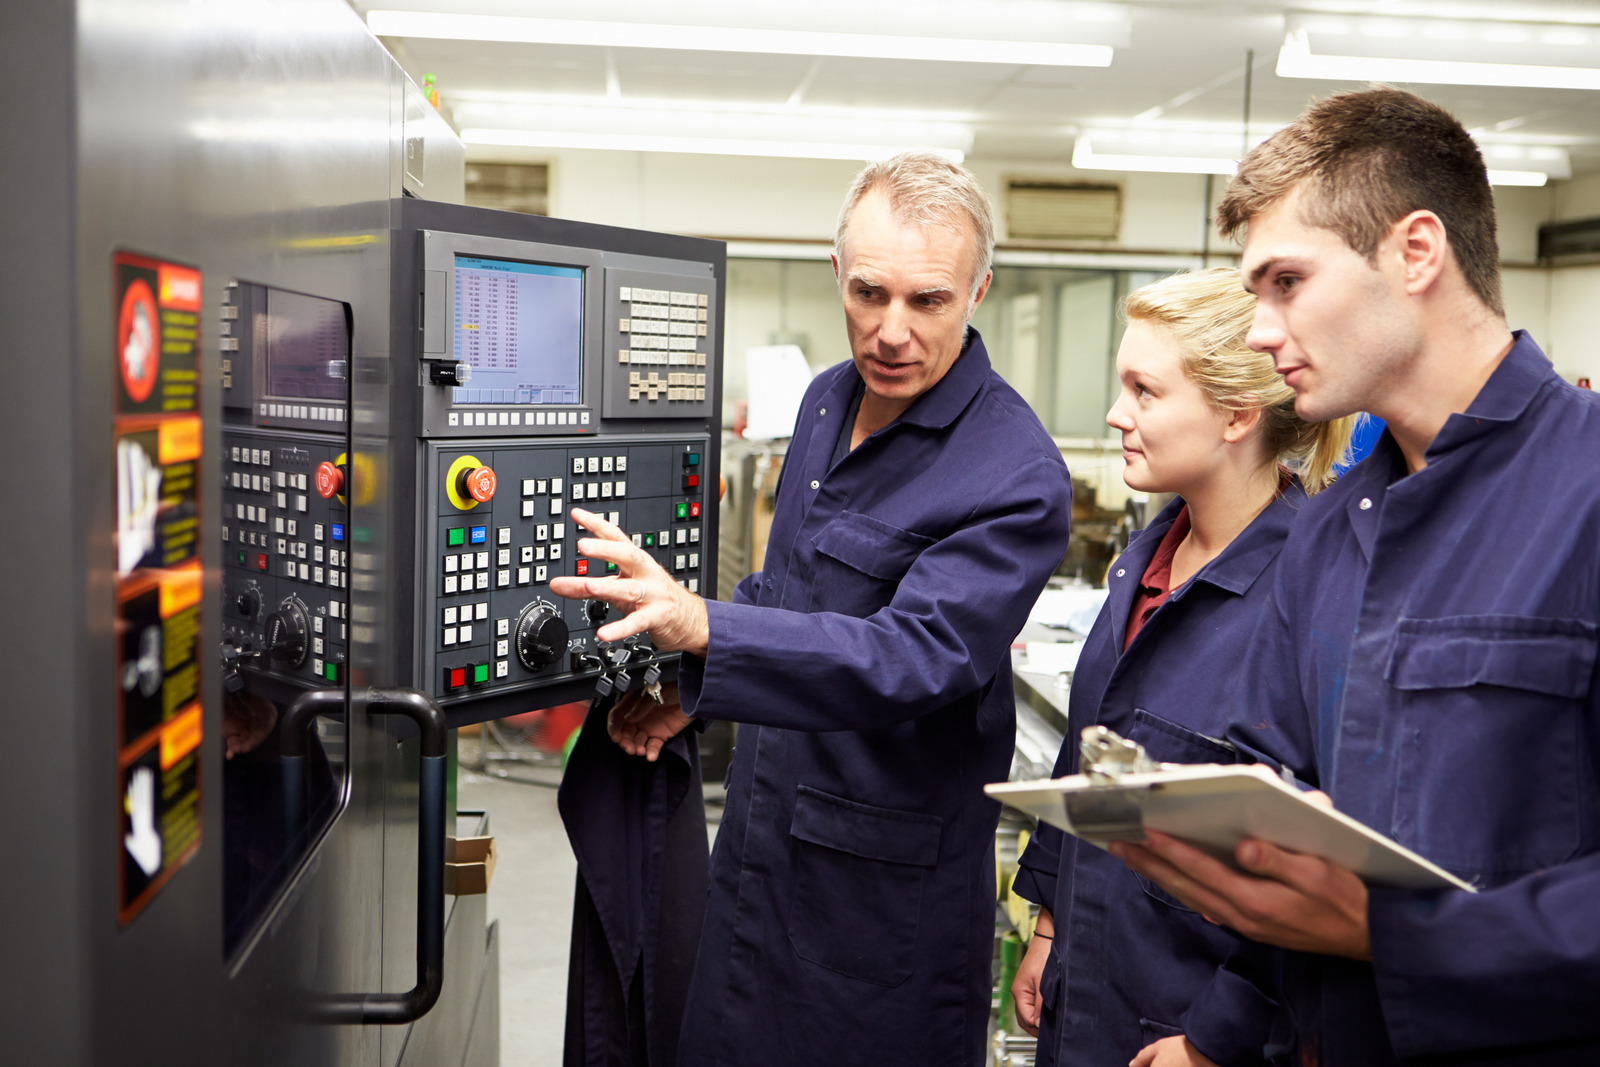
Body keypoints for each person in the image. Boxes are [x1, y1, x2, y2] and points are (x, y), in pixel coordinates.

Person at [1111, 87, 1600, 1066]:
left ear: (1414, 252)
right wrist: (1213, 1037)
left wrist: (1396, 931)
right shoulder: (1331, 530)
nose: (1256, 330)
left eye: (1285, 281)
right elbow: (1296, 816)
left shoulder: (1583, 492)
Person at [550, 151, 1073, 1065]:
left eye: (929, 301)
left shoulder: (1016, 475)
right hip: (757, 858)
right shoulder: (829, 401)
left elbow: (911, 658)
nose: (892, 331)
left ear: (978, 290)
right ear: (837, 271)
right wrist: (697, 688)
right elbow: (785, 590)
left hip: (881, 910)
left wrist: (705, 626)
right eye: (869, 292)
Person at [1008, 268, 1353, 1067]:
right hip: (1087, 991)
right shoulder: (1148, 556)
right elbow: (1086, 758)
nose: (1115, 413)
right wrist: (1050, 924)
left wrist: (1212, 1039)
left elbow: (1313, 863)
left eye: (1144, 391)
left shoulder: (1306, 593)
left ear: (1236, 414)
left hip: (1181, 1019)